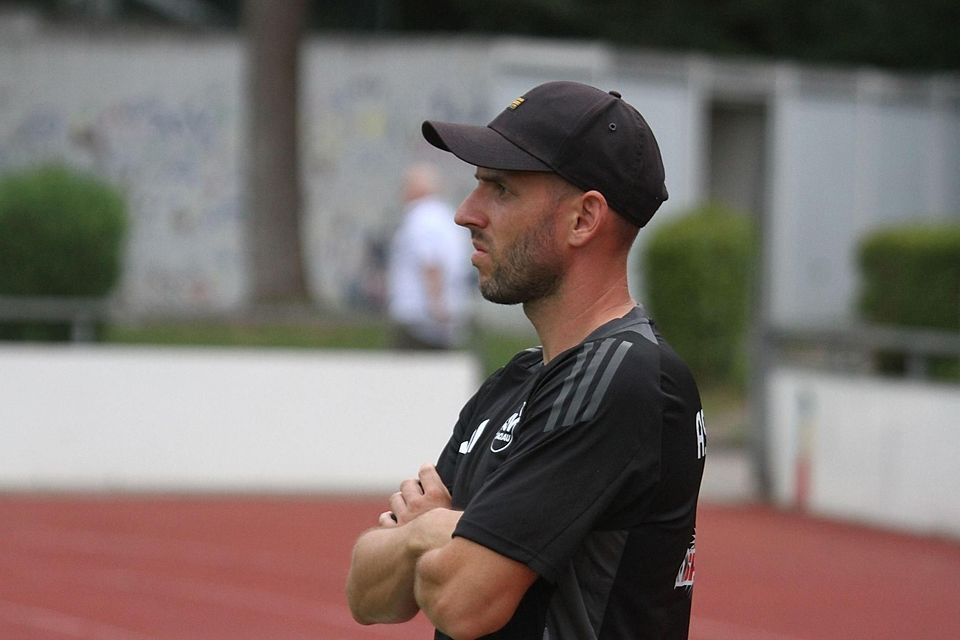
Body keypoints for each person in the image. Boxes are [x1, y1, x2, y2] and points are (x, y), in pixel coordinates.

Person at [347, 81, 706, 639]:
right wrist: (442, 532)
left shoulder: (623, 378)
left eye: (502, 189)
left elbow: (462, 601)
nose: (467, 213)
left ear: (584, 219)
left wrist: (427, 531)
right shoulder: (518, 379)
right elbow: (368, 593)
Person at [386, 162, 473, 350]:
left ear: (417, 188)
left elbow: (431, 262)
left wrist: (437, 308)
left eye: (405, 185)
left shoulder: (422, 217)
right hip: (443, 317)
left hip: (420, 319)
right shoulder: (445, 216)